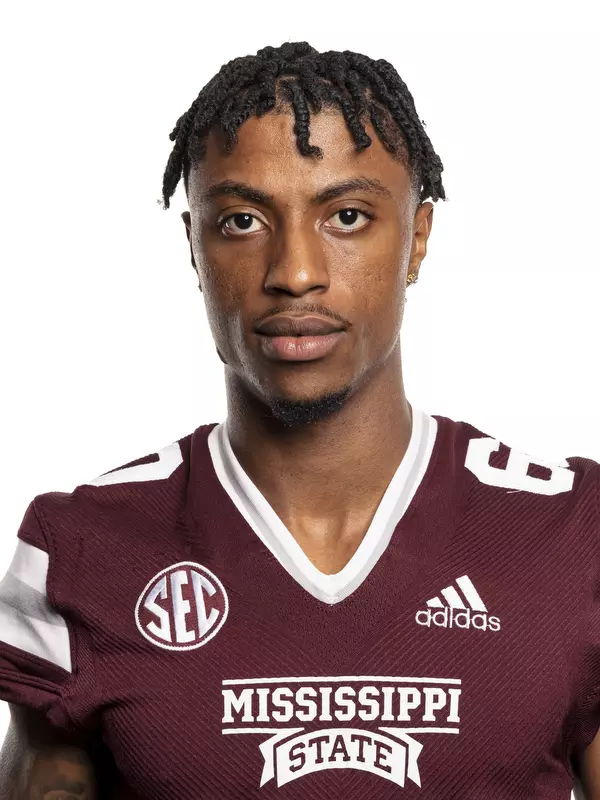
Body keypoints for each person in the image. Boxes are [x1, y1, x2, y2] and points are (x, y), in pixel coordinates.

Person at [0, 39, 598, 800]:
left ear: (417, 238)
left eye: (346, 216)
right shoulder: (84, 551)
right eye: (243, 221)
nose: (296, 273)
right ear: (194, 246)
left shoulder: (572, 535)